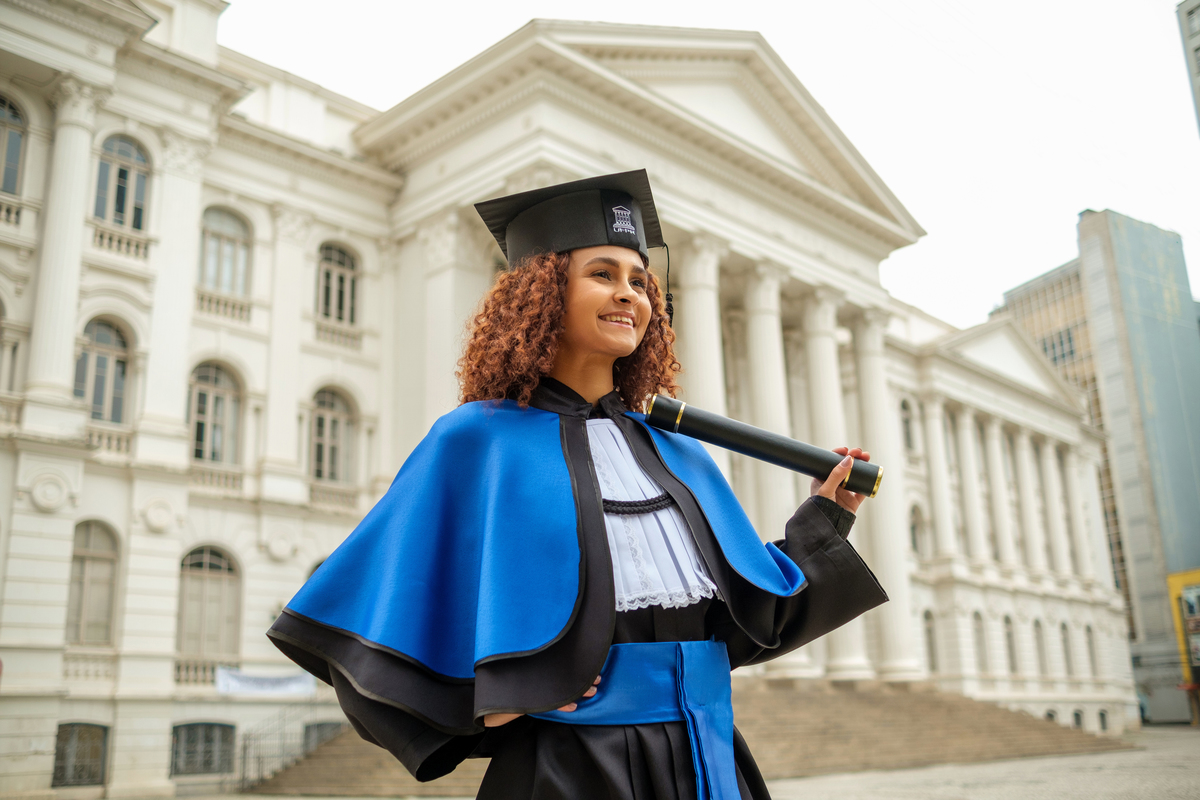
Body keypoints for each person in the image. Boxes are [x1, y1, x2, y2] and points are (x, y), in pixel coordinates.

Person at [268, 170, 886, 800]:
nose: (629, 296)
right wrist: (484, 706)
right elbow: (368, 614)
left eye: (639, 281)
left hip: (709, 758)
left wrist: (826, 514)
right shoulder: (476, 440)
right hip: (567, 767)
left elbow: (749, 622)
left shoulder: (677, 450)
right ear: (541, 292)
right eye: (602, 274)